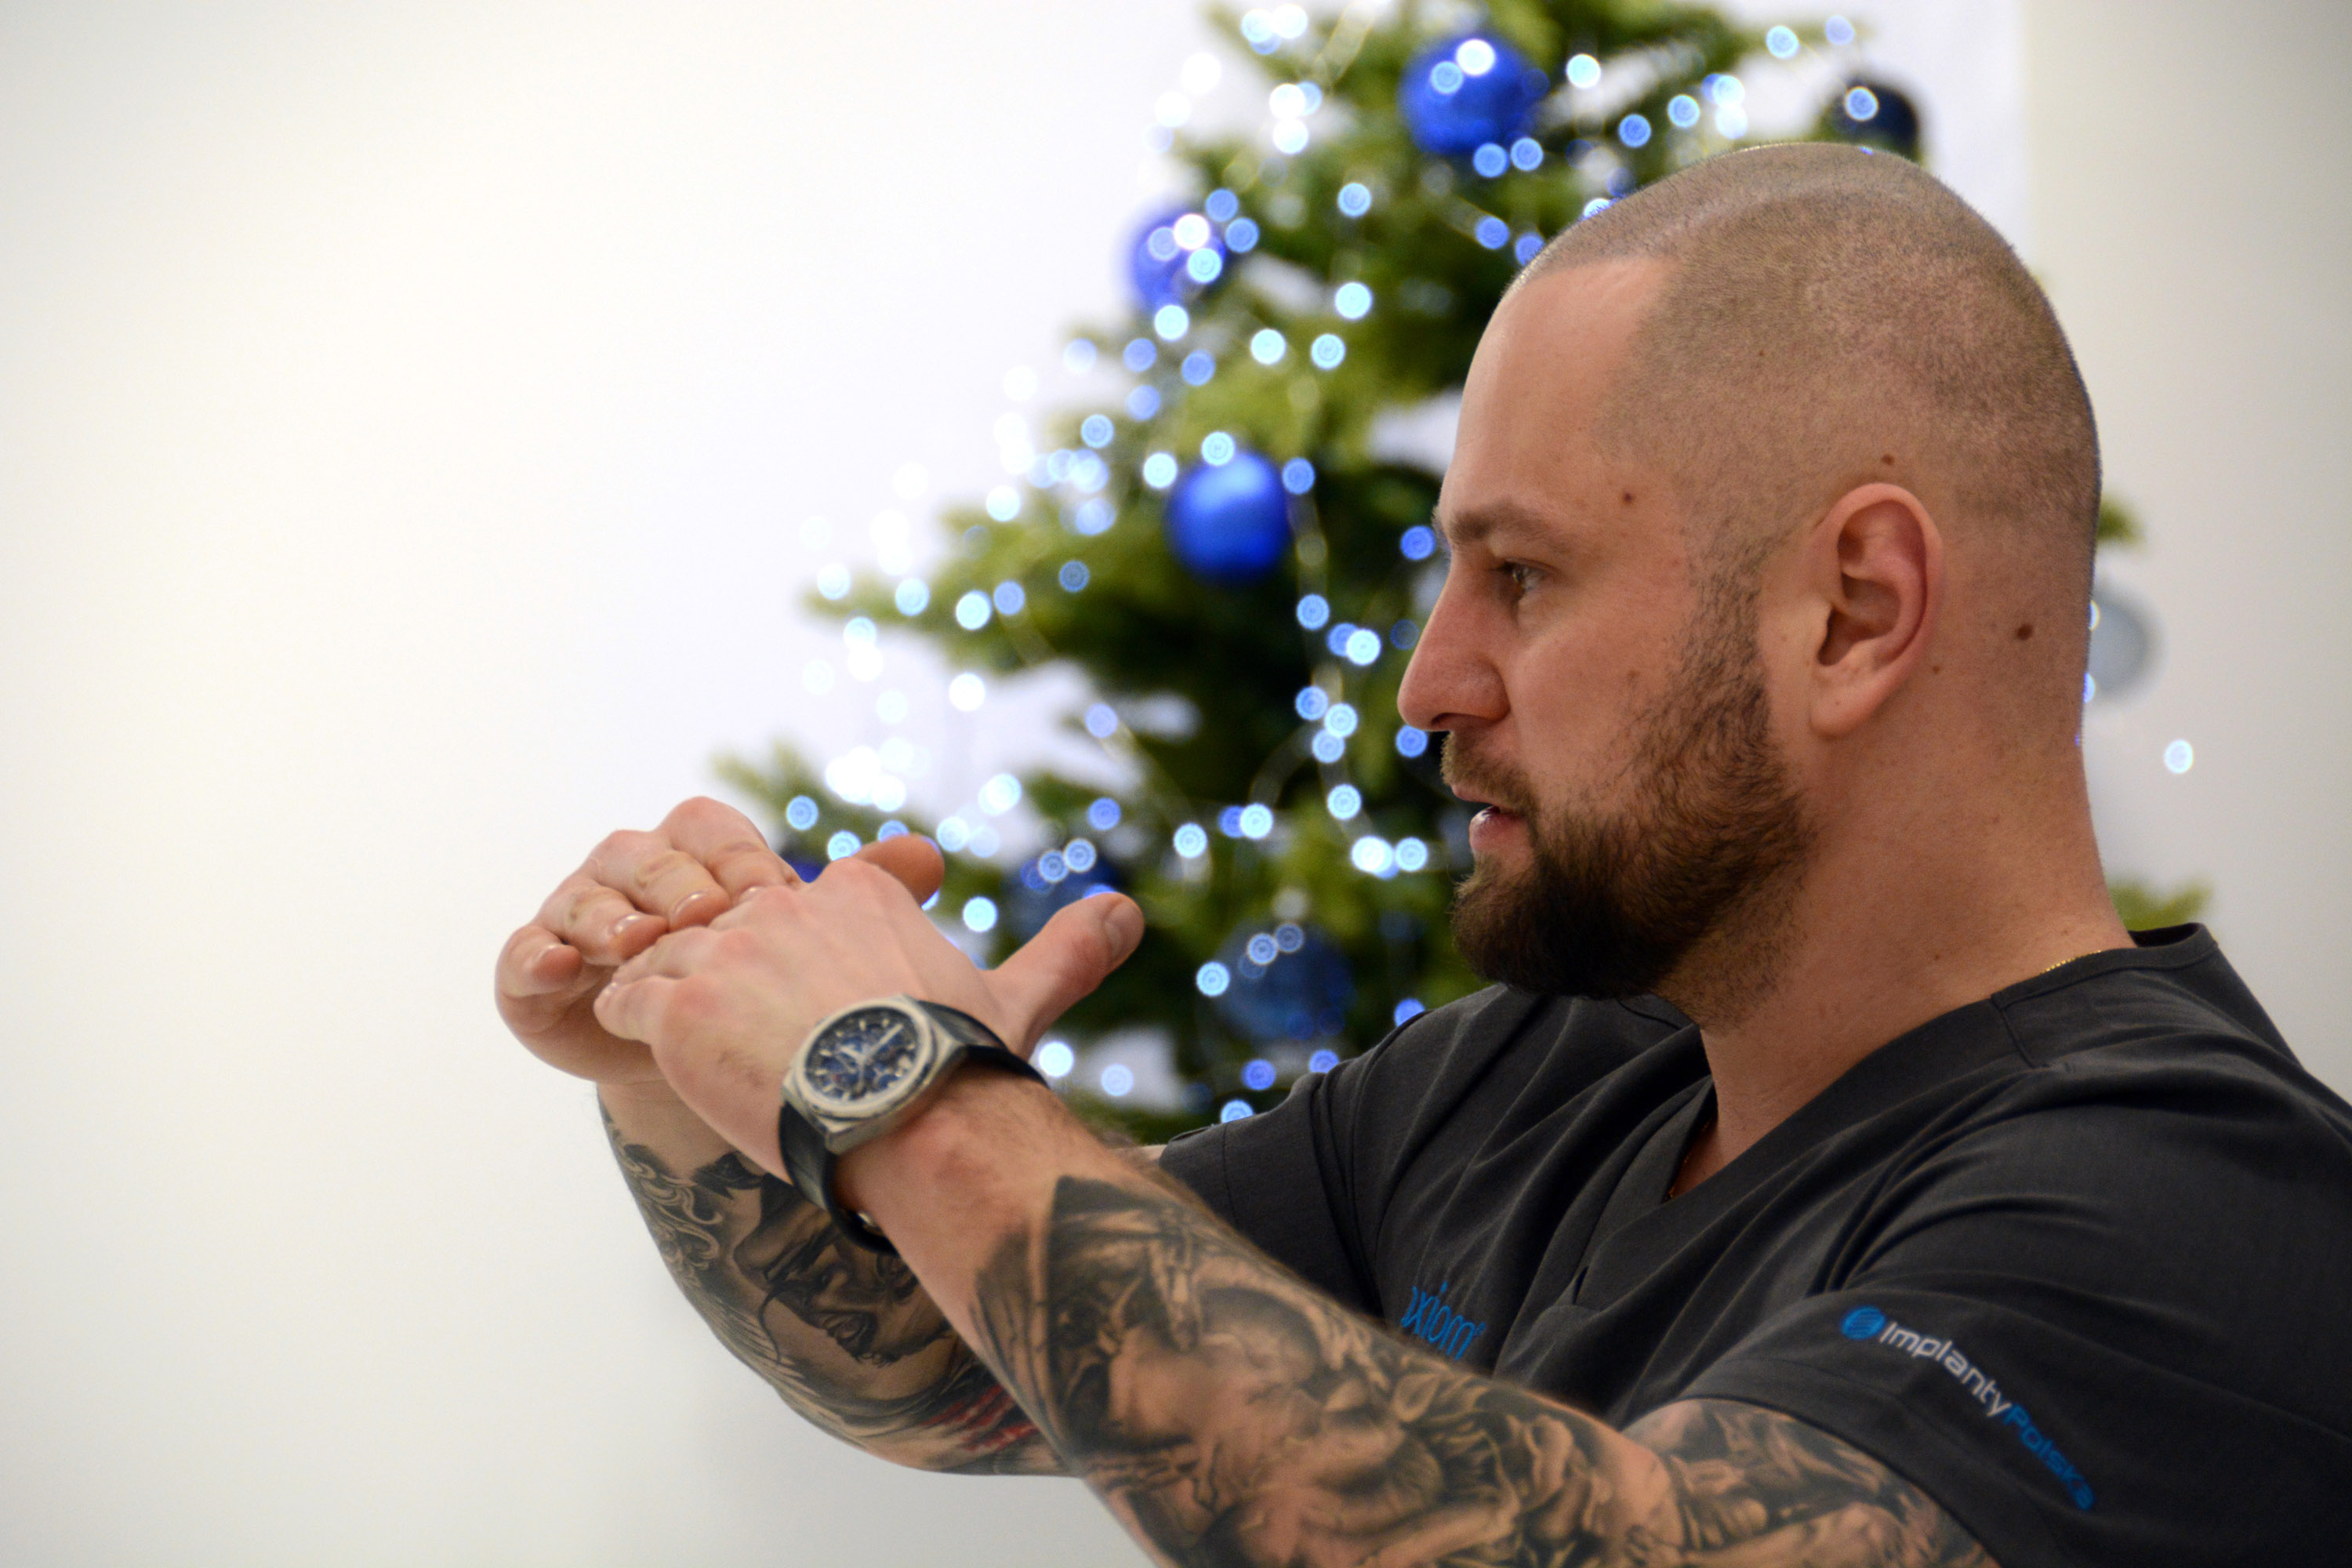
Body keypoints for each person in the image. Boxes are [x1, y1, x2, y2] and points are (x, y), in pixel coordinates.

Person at [495, 143, 2352, 1565]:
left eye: (1522, 574)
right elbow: (966, 1361)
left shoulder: (2196, 1205)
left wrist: (904, 1092)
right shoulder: (1560, 1063)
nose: (1426, 684)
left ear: (1855, 611)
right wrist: (673, 1038)